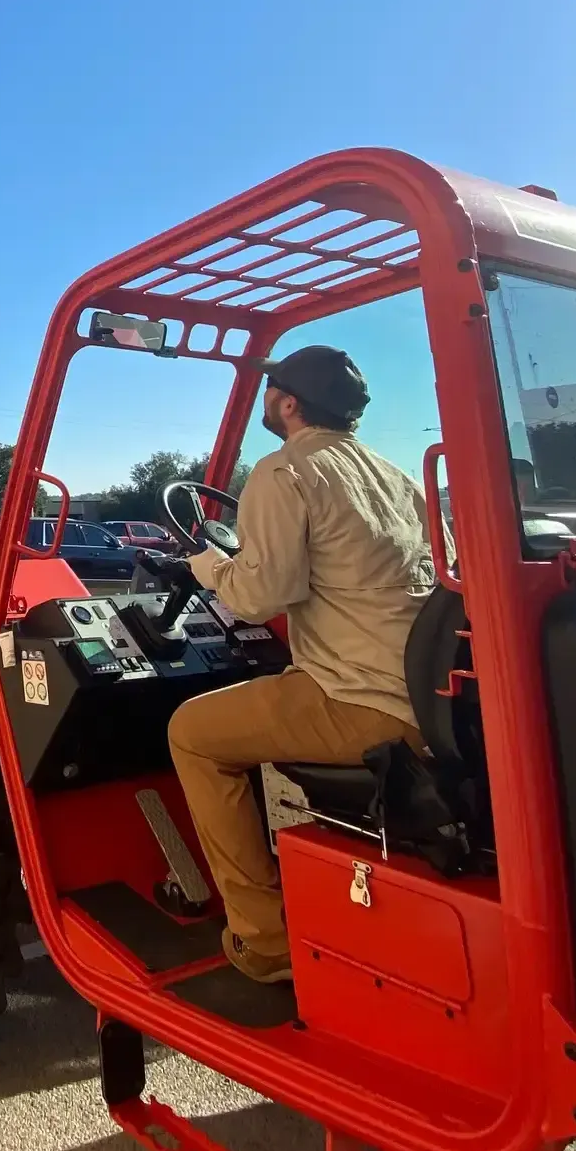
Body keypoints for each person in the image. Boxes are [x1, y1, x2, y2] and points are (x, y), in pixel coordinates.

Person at [165, 346, 440, 986]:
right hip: (423, 696)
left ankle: (264, 939)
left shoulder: (284, 472)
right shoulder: (395, 479)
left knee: (192, 733)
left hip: (361, 701)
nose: (267, 402)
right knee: (262, 699)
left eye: (270, 393)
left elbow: (258, 594)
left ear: (287, 403)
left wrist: (204, 564)